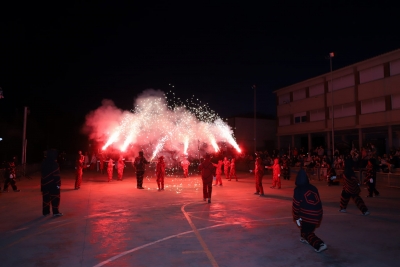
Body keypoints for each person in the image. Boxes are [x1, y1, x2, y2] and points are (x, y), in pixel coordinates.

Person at [292, 169, 327, 253]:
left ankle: (319, 244)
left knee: (306, 232)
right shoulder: (313, 187)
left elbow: (296, 205)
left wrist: (296, 217)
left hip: (309, 215)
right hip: (318, 213)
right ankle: (304, 237)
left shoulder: (298, 190)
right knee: (306, 228)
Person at [41, 149, 63, 217]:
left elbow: (42, 174)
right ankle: (55, 212)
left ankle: (46, 212)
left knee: (46, 198)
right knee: (55, 198)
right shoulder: (54, 164)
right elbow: (56, 176)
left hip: (45, 184)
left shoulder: (44, 163)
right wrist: (58, 185)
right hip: (53, 185)